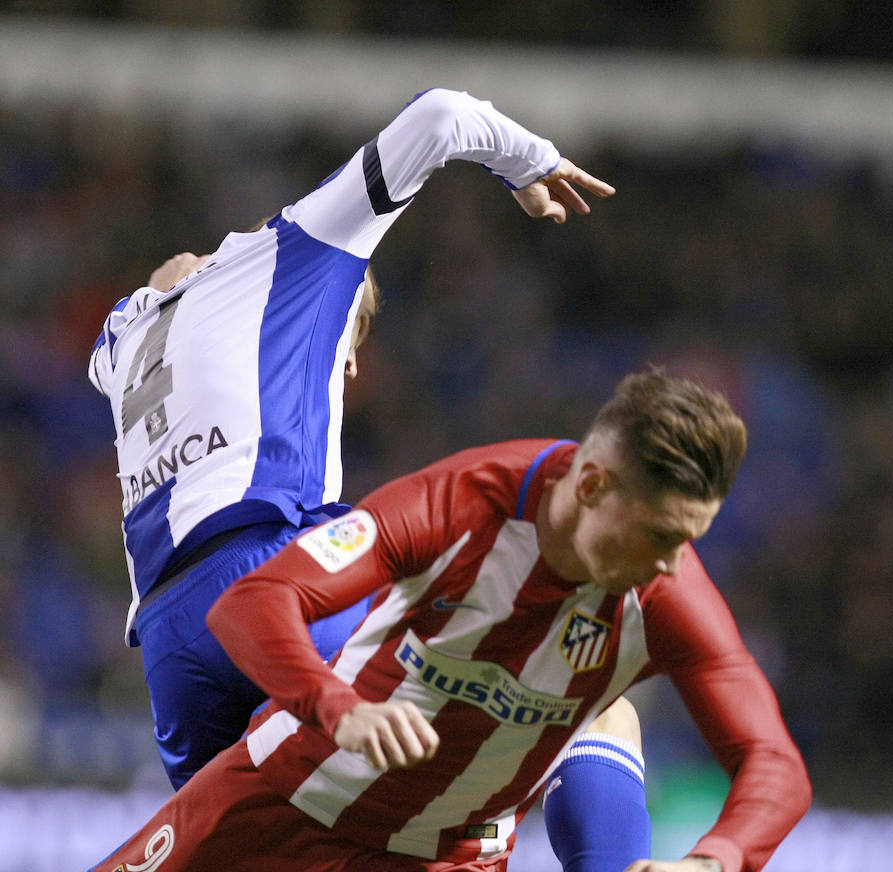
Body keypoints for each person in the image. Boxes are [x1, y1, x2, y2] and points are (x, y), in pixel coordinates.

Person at [87, 87, 615, 790]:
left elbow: (138, 315)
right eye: (347, 339)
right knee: (577, 697)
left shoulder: (128, 333)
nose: (352, 361)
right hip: (277, 578)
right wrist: (531, 164)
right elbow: (440, 116)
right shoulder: (301, 249)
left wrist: (166, 282)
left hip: (169, 644)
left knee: (257, 847)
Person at [89, 369, 811, 872]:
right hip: (282, 800)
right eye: (659, 535)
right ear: (590, 485)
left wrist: (717, 860)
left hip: (446, 857)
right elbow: (252, 602)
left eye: (689, 540)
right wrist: (336, 707)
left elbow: (774, 763)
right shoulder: (467, 502)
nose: (670, 563)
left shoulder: (667, 595)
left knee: (606, 710)